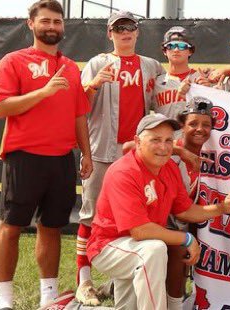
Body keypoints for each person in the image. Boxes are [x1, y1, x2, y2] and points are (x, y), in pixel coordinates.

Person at [0, 1, 92, 308]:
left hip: (61, 158)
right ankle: (3, 299)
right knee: (10, 226)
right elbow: (0, 107)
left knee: (52, 227)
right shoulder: (14, 60)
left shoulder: (72, 67)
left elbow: (79, 116)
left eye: (57, 21)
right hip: (24, 156)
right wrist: (43, 92)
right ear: (31, 24)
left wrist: (85, 154)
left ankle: (49, 296)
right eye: (45, 21)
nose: (52, 26)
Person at [86, 113, 230, 310]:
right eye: (155, 140)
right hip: (109, 246)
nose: (163, 147)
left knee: (128, 306)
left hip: (136, 248)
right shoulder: (124, 172)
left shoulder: (169, 167)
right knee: (154, 250)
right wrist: (187, 238)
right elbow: (140, 230)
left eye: (169, 140)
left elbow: (185, 211)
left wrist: (221, 208)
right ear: (138, 141)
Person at [77, 9, 165, 305]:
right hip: (102, 150)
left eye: (130, 27)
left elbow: (164, 103)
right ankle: (84, 282)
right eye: (118, 28)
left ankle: (119, 283)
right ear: (109, 33)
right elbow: (80, 109)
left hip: (136, 155)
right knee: (91, 215)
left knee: (131, 217)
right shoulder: (97, 63)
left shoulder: (151, 66)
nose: (125, 32)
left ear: (137, 32)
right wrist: (93, 85)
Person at [161, 97, 214, 309]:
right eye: (193, 124)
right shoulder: (167, 148)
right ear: (182, 125)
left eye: (206, 125)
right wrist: (180, 151)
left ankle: (197, 295)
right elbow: (130, 147)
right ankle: (175, 303)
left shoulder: (214, 155)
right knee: (178, 244)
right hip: (160, 220)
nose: (199, 129)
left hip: (190, 218)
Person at [151, 26, 211, 119]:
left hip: (193, 133)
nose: (176, 50)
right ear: (165, 51)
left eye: (182, 46)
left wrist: (208, 91)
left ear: (190, 51)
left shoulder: (202, 79)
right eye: (171, 46)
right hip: (165, 132)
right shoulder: (156, 82)